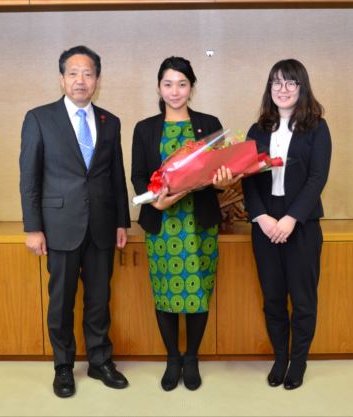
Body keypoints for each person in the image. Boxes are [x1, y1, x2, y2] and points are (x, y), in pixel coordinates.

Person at [19, 45, 131, 398]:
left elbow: (116, 176)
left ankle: (100, 361)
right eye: (73, 73)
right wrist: (33, 228)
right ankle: (63, 367)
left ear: (97, 80)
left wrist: (121, 223)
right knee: (61, 300)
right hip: (58, 227)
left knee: (99, 299)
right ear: (61, 78)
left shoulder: (109, 121)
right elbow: (29, 178)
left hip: (101, 226)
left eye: (88, 74)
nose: (80, 80)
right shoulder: (39, 118)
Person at [131, 56, 238, 391]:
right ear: (159, 87)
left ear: (192, 87)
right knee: (165, 294)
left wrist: (224, 181)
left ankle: (191, 357)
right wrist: (156, 199)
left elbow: (221, 171)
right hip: (163, 224)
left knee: (198, 293)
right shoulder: (145, 128)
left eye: (182, 84)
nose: (174, 91)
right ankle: (171, 358)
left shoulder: (209, 123)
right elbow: (137, 176)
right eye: (168, 84)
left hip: (200, 223)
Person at [241, 59, 332, 390]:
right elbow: (247, 180)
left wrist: (292, 218)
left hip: (303, 222)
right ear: (269, 89)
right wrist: (262, 217)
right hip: (264, 222)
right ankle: (280, 357)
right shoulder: (256, 130)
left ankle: (298, 362)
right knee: (274, 298)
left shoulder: (317, 128)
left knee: (303, 299)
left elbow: (317, 178)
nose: (282, 89)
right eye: (276, 83)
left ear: (302, 87)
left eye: (290, 83)